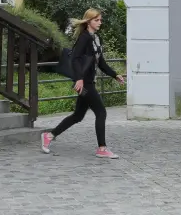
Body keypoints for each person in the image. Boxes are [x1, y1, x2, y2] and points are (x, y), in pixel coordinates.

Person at [41, 8, 125, 158]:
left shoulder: (96, 38)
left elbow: (101, 63)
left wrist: (115, 75)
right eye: (96, 20)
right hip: (84, 84)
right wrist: (79, 79)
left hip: (88, 82)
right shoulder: (84, 38)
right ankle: (102, 148)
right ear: (88, 21)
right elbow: (74, 59)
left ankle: (49, 136)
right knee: (101, 112)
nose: (100, 22)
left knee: (78, 116)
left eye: (100, 20)